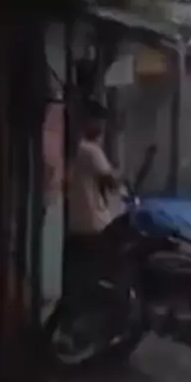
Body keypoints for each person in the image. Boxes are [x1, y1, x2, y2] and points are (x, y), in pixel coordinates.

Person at [65, 101, 124, 283]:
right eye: (99, 123)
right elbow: (112, 183)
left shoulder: (73, 148)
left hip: (74, 224)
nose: (102, 128)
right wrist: (119, 174)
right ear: (88, 121)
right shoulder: (91, 150)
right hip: (93, 225)